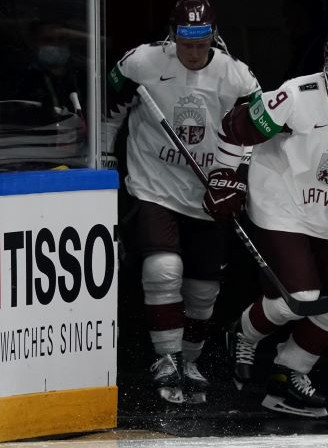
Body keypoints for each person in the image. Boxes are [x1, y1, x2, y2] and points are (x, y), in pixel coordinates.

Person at [205, 24, 328, 418]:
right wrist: (224, 174)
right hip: (279, 202)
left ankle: (290, 371)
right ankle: (244, 332)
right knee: (300, 300)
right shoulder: (294, 97)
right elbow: (235, 127)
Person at [102, 0, 260, 404]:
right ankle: (166, 358)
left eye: (202, 43)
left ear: (213, 36)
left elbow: (255, 130)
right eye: (186, 44)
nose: (194, 53)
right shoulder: (142, 62)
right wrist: (104, 156)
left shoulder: (237, 76)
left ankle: (190, 360)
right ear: (172, 37)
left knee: (204, 288)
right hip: (153, 184)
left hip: (207, 189)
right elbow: (110, 109)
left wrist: (233, 176)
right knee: (164, 268)